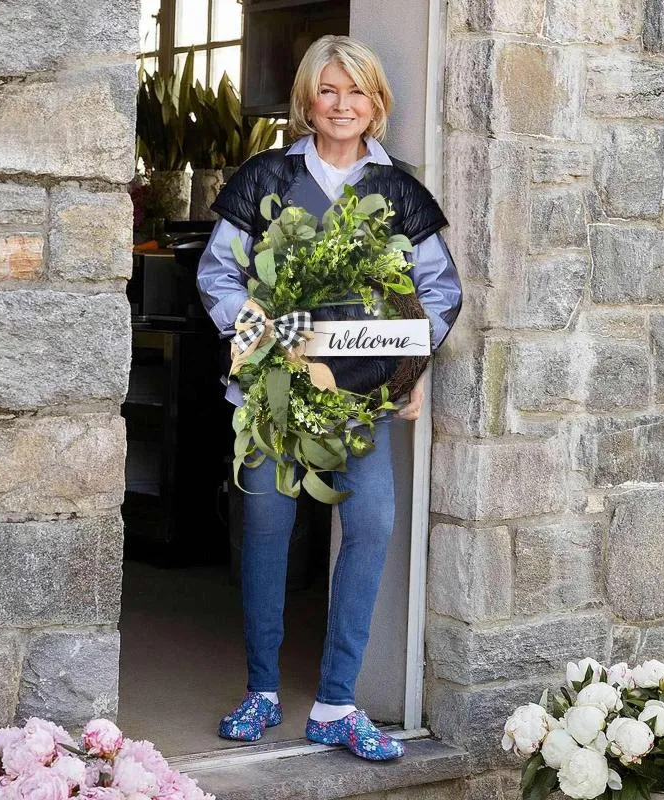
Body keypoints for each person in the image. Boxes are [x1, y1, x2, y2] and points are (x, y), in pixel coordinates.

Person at [196, 34, 461, 761]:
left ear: (377, 103)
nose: (343, 105)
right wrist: (260, 334)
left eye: (358, 92)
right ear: (308, 100)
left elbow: (437, 292)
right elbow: (220, 274)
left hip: (359, 404)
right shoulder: (265, 177)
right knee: (267, 529)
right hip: (272, 398)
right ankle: (261, 691)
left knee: (372, 522)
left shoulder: (398, 189)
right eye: (329, 90)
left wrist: (407, 375)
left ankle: (337, 704)